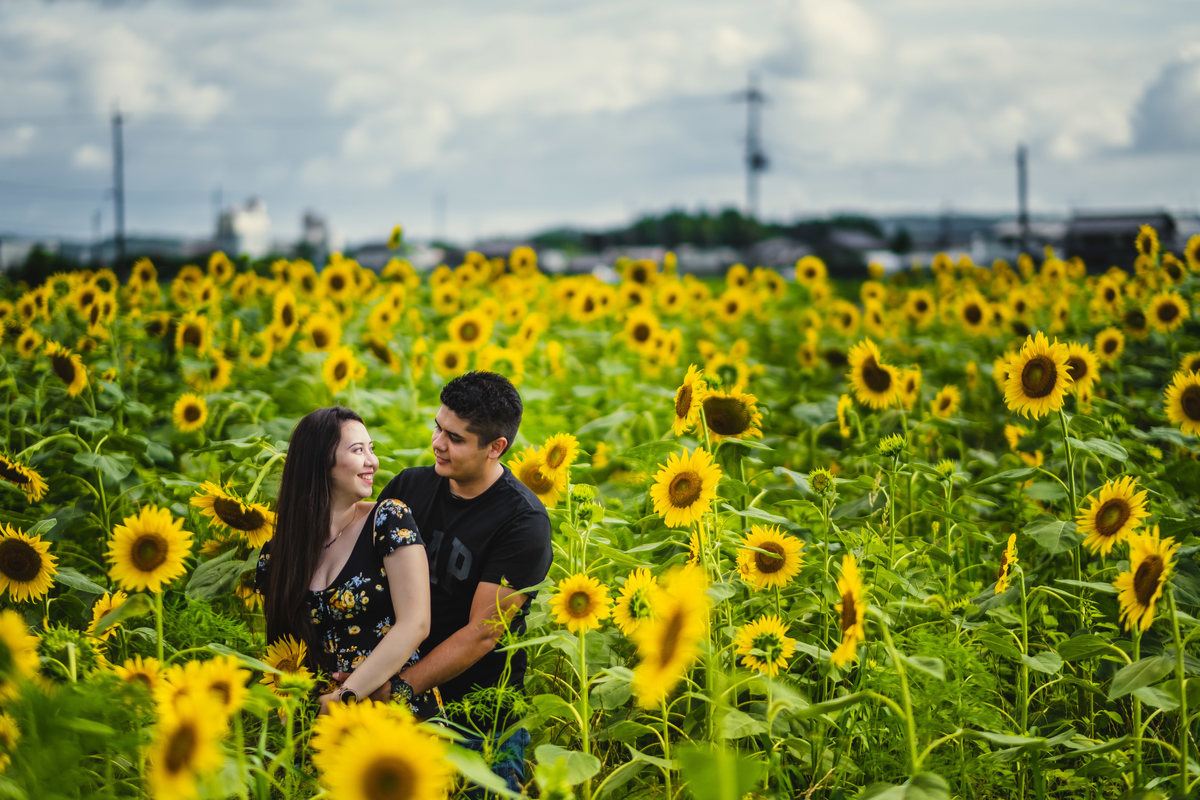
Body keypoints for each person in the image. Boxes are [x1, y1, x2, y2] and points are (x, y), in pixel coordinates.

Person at [378, 371, 552, 792]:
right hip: (395, 703)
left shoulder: (522, 523)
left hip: (479, 721)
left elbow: (481, 633)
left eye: (455, 438)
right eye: (438, 427)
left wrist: (397, 689)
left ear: (496, 448)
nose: (438, 443)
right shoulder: (410, 486)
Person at [256, 406, 430, 713]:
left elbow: (416, 623)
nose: (372, 461)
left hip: (391, 709)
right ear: (320, 462)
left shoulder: (388, 520)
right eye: (358, 450)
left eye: (371, 449)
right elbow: (281, 652)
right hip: (313, 719)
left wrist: (345, 696)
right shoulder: (277, 555)